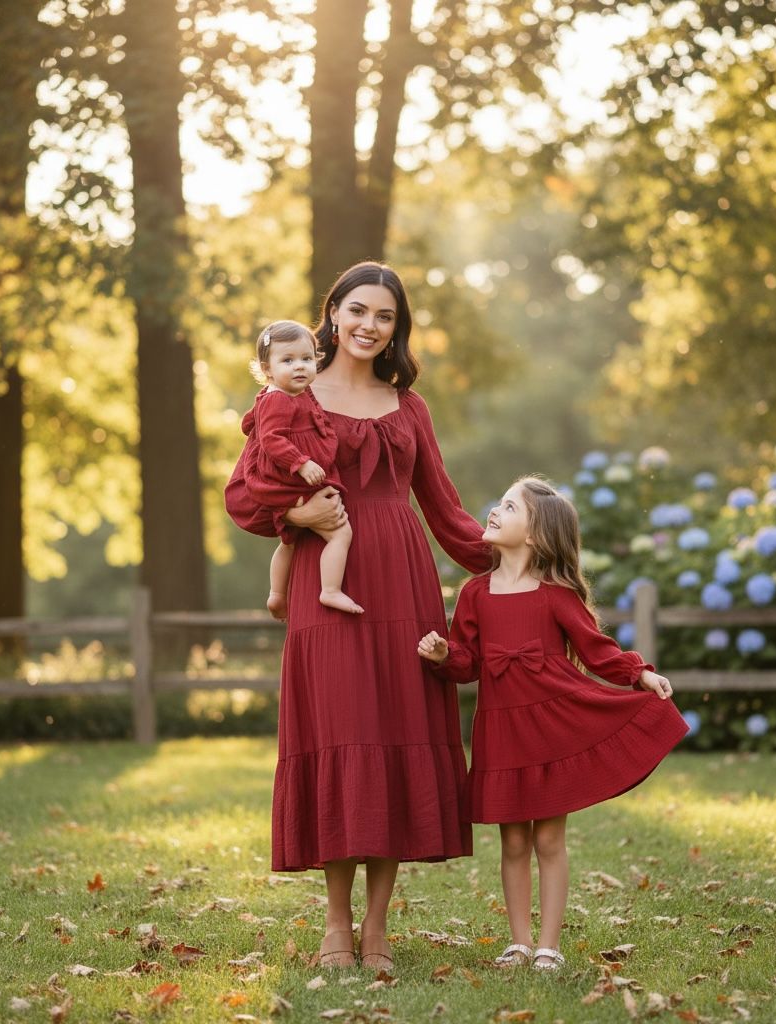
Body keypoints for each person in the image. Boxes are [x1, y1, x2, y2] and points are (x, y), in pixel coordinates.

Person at [224, 262, 492, 972]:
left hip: (402, 581)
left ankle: (377, 929)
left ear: (396, 328)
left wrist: (514, 563)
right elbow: (242, 493)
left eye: (386, 317)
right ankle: (335, 925)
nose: (370, 326)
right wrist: (293, 512)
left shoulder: (409, 407)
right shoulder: (288, 395)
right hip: (326, 580)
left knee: (395, 732)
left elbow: (445, 507)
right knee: (342, 734)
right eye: (358, 311)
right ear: (333, 313)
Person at [417, 476, 689, 972]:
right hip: (500, 730)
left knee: (548, 840)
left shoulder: (556, 594)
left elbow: (596, 650)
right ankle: (518, 943)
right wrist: (442, 654)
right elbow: (467, 664)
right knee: (513, 841)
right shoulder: (476, 593)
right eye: (497, 503)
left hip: (552, 726)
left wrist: (640, 673)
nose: (494, 511)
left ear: (536, 536)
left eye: (508, 506)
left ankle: (548, 946)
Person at [241, 319, 362, 618]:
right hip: (292, 480)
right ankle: (330, 590)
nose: (299, 367)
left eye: (306, 359)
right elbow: (271, 439)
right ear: (267, 369)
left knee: (289, 540)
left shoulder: (292, 394)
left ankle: (276, 594)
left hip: (292, 480)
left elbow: (254, 423)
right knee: (340, 533)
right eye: (288, 360)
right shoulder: (278, 400)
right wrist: (301, 463)